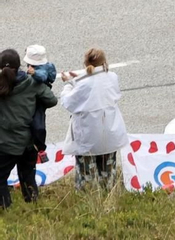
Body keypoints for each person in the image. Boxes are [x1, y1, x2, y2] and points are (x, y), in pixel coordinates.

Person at [58, 48, 126, 191]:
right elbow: (95, 87)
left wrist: (69, 84)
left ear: (85, 62)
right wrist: (78, 79)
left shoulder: (83, 83)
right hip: (109, 133)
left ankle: (89, 197)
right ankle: (110, 196)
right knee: (108, 172)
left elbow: (68, 102)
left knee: (86, 173)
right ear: (104, 61)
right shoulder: (112, 77)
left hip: (87, 136)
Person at [0, 48, 55, 207]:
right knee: (27, 175)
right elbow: (52, 100)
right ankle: (32, 204)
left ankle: (5, 207)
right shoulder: (31, 83)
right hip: (29, 142)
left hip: (6, 144)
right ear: (20, 66)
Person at [18, 47, 54, 198]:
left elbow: (42, 77)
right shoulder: (49, 65)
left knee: (38, 125)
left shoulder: (41, 70)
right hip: (39, 99)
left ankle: (40, 147)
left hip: (38, 100)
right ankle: (31, 196)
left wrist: (33, 73)